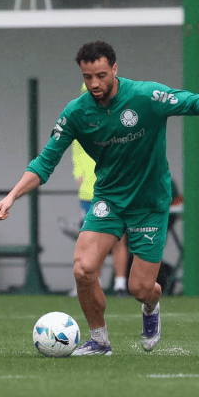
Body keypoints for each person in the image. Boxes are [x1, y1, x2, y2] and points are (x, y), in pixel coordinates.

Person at [0, 41, 199, 355]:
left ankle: (151, 303)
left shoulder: (144, 96)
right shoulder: (77, 113)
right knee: (83, 269)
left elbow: (184, 100)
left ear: (115, 69)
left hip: (148, 203)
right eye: (88, 76)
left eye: (101, 75)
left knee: (140, 288)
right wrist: (11, 196)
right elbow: (45, 162)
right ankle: (100, 341)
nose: (95, 83)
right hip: (109, 200)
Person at [73, 84, 129, 297]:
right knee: (88, 240)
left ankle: (120, 284)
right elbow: (76, 153)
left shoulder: (116, 120)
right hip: (88, 192)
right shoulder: (78, 121)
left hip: (114, 190)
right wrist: (78, 174)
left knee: (118, 238)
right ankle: (88, 284)